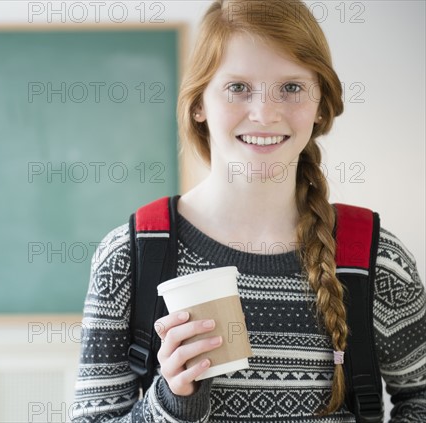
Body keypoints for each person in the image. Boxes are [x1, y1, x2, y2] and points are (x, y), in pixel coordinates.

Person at [71, 0, 426, 421]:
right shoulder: (130, 256)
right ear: (198, 103)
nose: (265, 113)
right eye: (238, 87)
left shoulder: (374, 258)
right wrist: (172, 401)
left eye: (291, 87)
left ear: (320, 105)